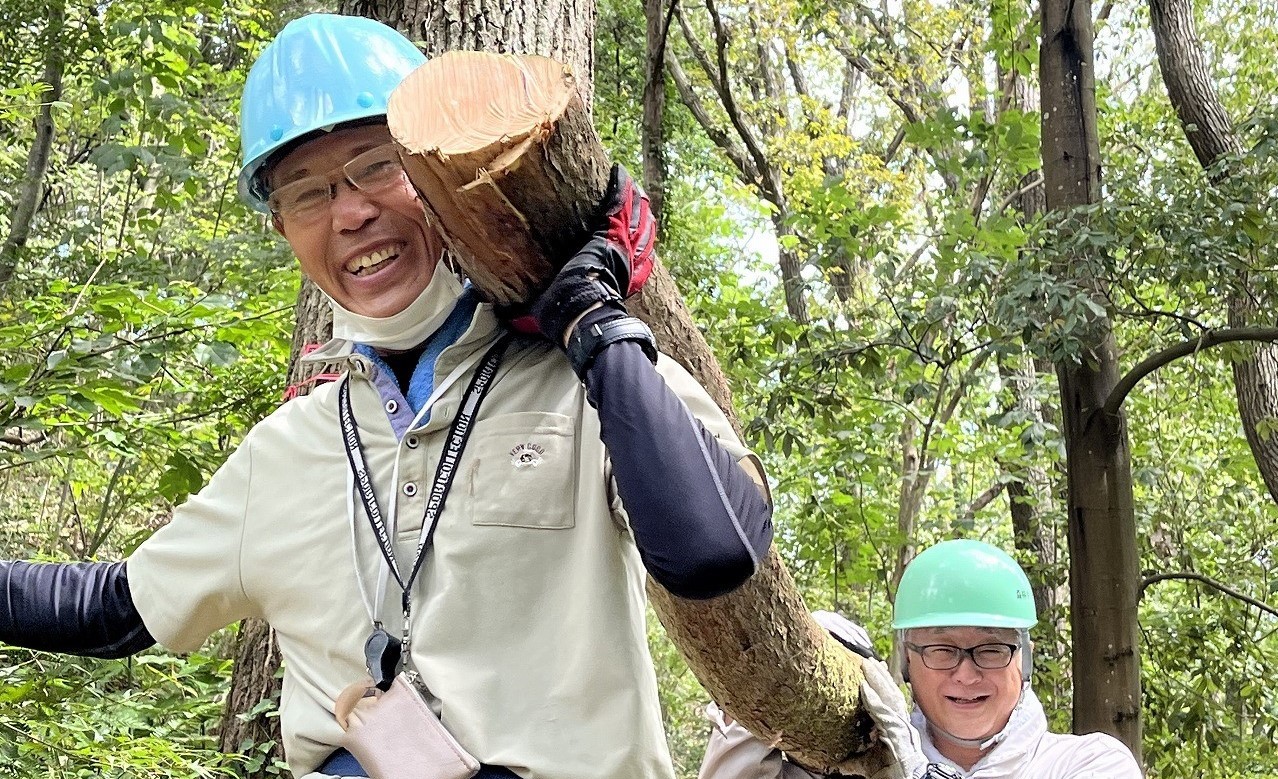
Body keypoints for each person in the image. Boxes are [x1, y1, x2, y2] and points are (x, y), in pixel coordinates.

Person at [0, 13, 775, 779]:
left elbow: (713, 548)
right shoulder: (288, 448)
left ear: (439, 170)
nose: (349, 211)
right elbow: (117, 607)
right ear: (282, 229)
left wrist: (597, 328)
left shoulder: (589, 380)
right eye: (305, 194)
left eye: (376, 166)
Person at [697, 540, 1144, 779]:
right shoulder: (855, 763)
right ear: (908, 664)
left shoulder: (1088, 763)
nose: (966, 673)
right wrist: (773, 683)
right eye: (941, 650)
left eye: (990, 649)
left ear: (1022, 662)